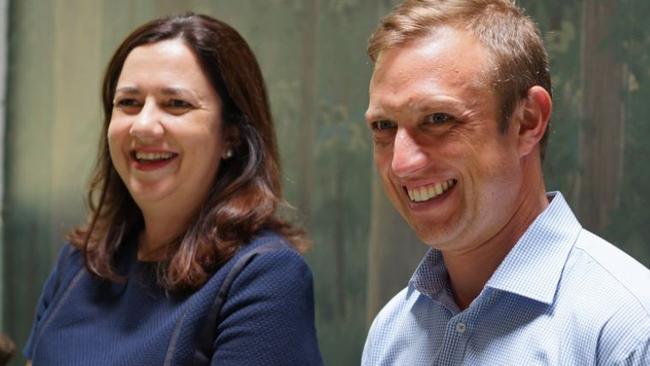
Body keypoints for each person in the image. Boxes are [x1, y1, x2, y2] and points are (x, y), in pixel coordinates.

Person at [23, 13, 322, 366]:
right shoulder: (81, 261)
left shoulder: (265, 276)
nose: (144, 125)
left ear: (231, 135)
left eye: (176, 104)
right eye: (128, 103)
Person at [361, 0, 650, 364]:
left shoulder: (629, 333)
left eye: (437, 119)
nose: (401, 165)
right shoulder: (392, 332)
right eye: (383, 126)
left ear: (528, 121)